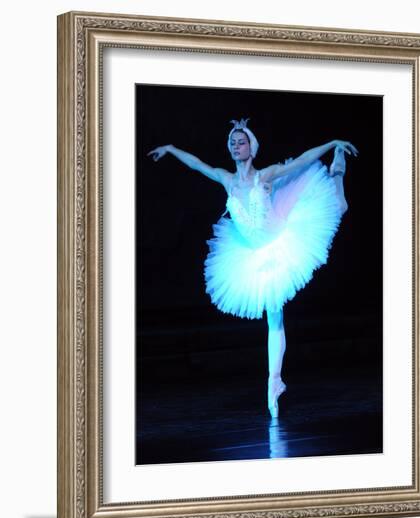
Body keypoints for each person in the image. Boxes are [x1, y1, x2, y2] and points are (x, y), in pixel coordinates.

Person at [148, 118, 358, 418]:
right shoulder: (226, 179)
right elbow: (196, 164)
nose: (236, 146)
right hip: (253, 253)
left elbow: (301, 160)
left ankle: (338, 169)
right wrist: (170, 148)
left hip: (284, 238)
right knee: (274, 318)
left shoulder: (266, 175)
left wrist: (332, 143)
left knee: (339, 206)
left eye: (241, 142)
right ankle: (274, 381)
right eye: (232, 143)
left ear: (251, 147)